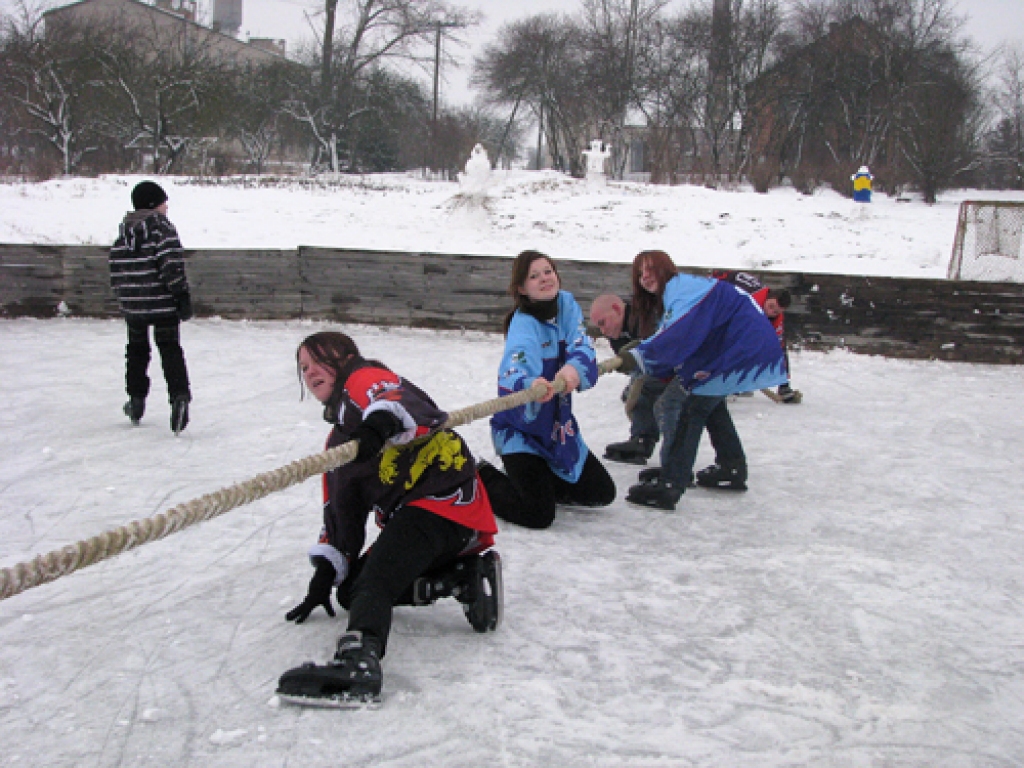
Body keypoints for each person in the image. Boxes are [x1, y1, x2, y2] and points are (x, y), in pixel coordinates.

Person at [277, 331, 502, 705]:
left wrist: (376, 427)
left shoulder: (363, 377)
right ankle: (461, 580)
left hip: (442, 502)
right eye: (303, 367)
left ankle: (359, 662)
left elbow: (390, 399)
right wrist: (326, 573)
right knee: (351, 591)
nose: (310, 371)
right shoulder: (339, 443)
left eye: (318, 359)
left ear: (345, 357)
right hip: (426, 525)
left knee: (375, 583)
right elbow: (343, 513)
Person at [615, 251, 789, 511]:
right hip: (739, 345)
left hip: (738, 347)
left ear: (666, 268)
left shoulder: (680, 289)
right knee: (711, 404)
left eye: (651, 269)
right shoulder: (681, 290)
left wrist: (639, 356)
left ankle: (672, 482)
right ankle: (731, 467)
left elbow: (678, 334)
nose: (645, 277)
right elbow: (671, 333)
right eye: (640, 273)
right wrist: (643, 351)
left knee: (689, 406)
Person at [482, 250, 616, 529]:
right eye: (534, 276)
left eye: (548, 271)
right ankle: (481, 476)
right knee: (537, 515)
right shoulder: (523, 324)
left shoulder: (566, 304)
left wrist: (573, 370)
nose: (544, 278)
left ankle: (538, 479)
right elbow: (513, 368)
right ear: (522, 288)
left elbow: (581, 343)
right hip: (521, 430)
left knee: (601, 493)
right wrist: (530, 385)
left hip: (558, 428)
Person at [109, 180, 193, 435]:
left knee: (136, 352)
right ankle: (179, 397)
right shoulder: (162, 228)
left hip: (134, 306)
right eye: (163, 202)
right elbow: (171, 264)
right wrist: (181, 294)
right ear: (153, 204)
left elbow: (115, 267)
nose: (166, 207)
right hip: (163, 304)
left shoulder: (125, 231)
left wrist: (125, 298)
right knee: (169, 349)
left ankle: (135, 400)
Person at [590, 291, 687, 466]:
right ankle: (643, 440)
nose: (603, 331)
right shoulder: (617, 335)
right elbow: (634, 366)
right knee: (641, 392)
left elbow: (661, 349)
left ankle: (675, 462)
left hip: (688, 363)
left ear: (617, 309)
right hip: (665, 368)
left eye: (603, 323)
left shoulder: (646, 316)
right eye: (599, 327)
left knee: (664, 400)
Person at [712, 269, 800, 403]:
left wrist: (784, 385)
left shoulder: (776, 320)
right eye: (771, 306)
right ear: (768, 297)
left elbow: (778, 349)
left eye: (776, 312)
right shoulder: (747, 299)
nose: (771, 312)